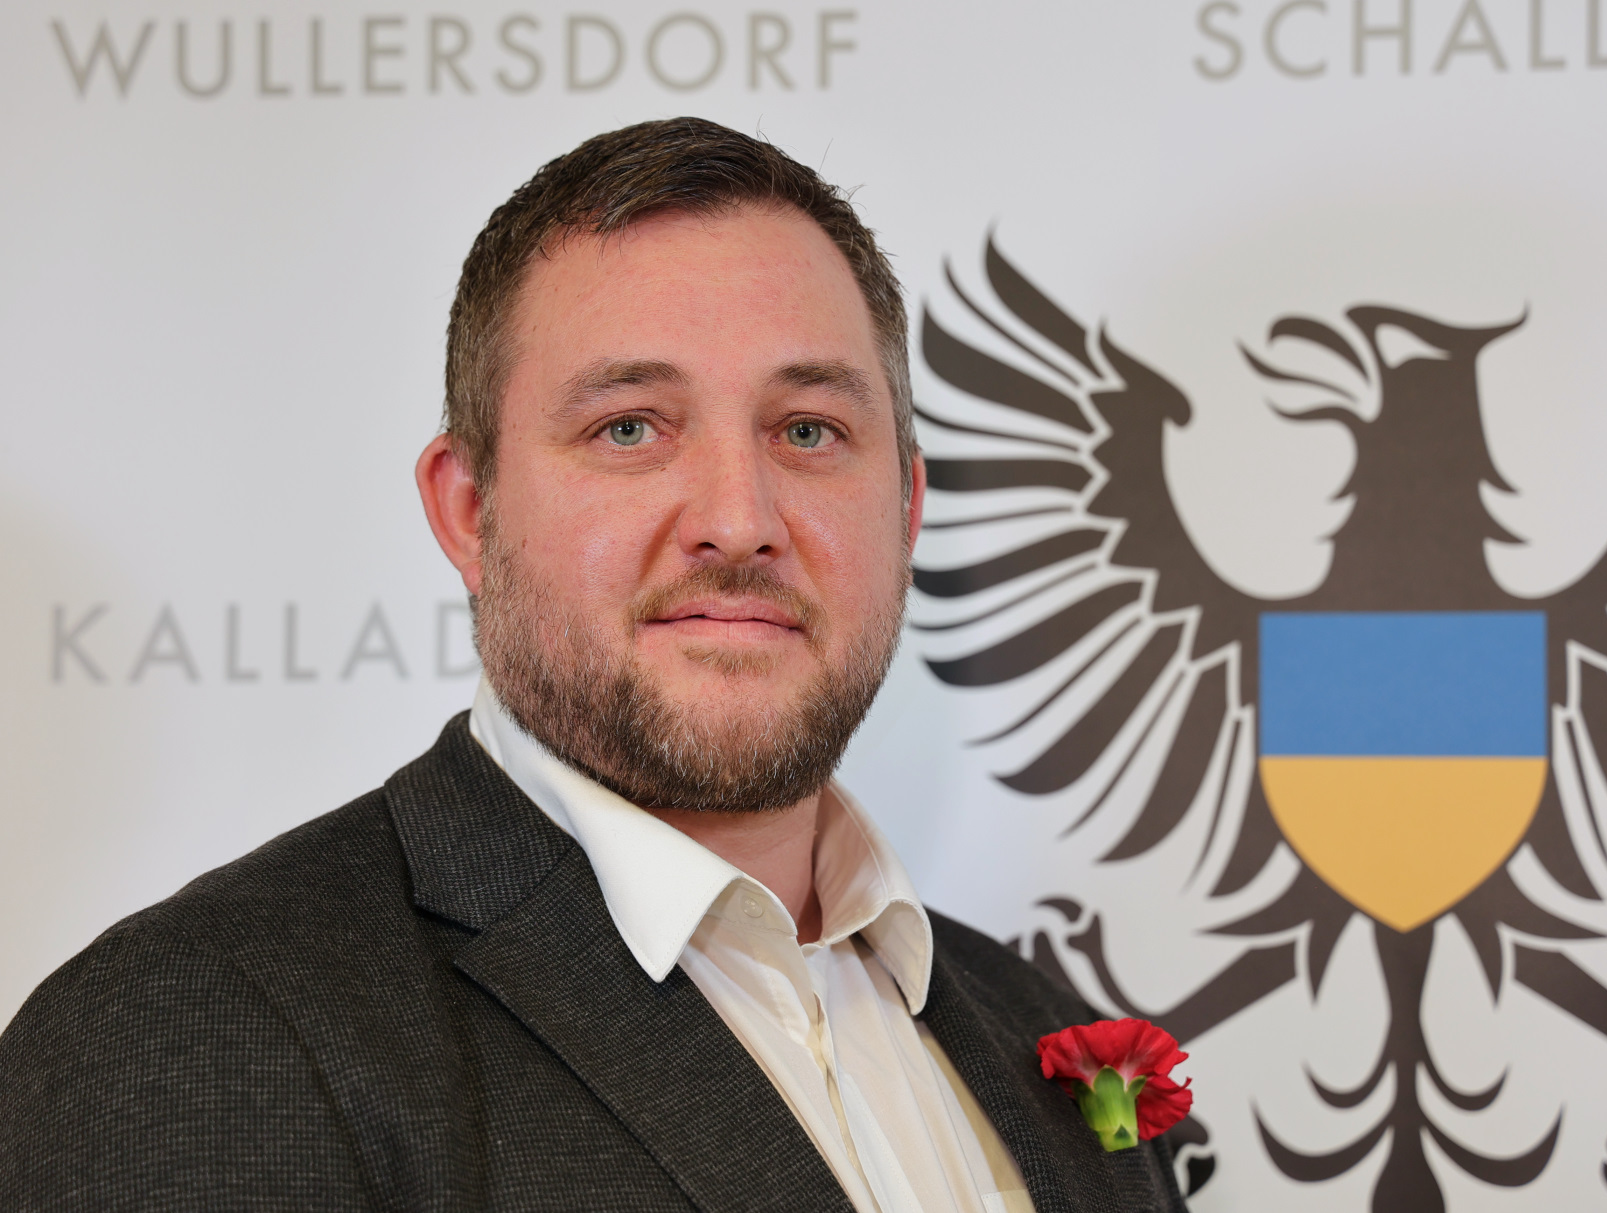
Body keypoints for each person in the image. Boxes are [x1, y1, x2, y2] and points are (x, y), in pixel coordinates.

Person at [0, 118, 1185, 1212]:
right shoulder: (198, 1033)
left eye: (808, 430)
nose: (739, 520)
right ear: (469, 510)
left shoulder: (1037, 1029)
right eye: (629, 428)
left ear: (908, 506)